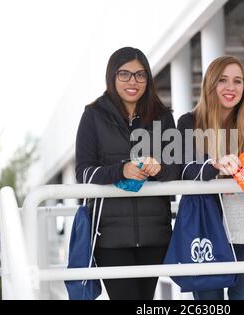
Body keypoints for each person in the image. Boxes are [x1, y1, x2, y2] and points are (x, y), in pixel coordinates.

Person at [177, 55, 244, 300]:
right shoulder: (189, 122)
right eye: (223, 80)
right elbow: (182, 169)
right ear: (210, 85)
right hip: (206, 229)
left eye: (238, 81)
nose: (231, 87)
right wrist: (213, 166)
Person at [75, 47, 179, 300]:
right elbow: (84, 172)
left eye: (140, 75)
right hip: (110, 238)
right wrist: (121, 170)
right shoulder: (93, 116)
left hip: (155, 234)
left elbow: (176, 169)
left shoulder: (163, 117)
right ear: (112, 76)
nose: (133, 82)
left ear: (148, 79)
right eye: (124, 74)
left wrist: (160, 167)